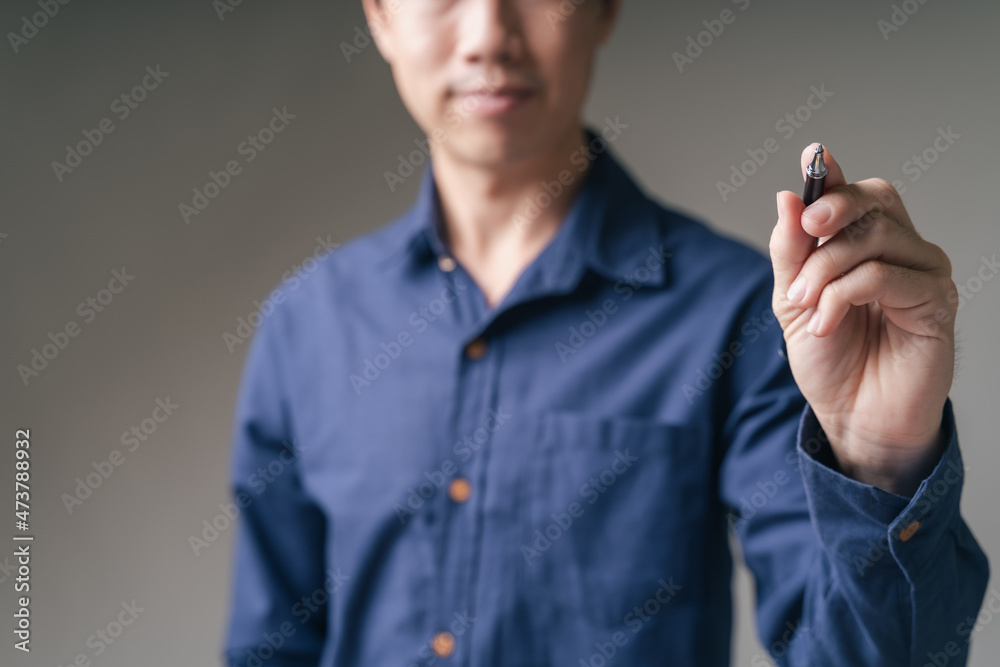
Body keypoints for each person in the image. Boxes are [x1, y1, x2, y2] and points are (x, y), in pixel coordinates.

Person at [222, 1, 989, 665]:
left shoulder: (742, 316)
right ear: (379, 16)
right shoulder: (307, 326)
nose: (489, 33)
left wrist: (882, 462)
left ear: (605, 7)